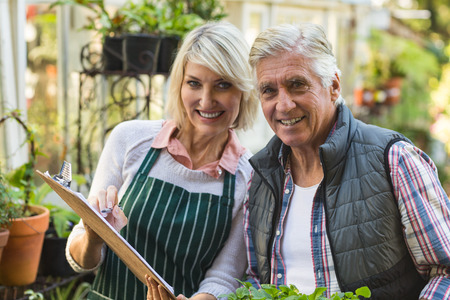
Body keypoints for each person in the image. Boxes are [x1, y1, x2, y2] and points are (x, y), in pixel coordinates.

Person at [244, 22, 450, 300]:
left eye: (297, 85)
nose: (283, 104)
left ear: (334, 86)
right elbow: (257, 280)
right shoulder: (260, 177)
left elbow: (445, 272)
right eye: (269, 91)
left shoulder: (394, 159)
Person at [66, 21, 258, 300]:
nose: (206, 100)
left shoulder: (250, 177)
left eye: (222, 85)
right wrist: (93, 237)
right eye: (194, 83)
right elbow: (83, 259)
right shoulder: (130, 140)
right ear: (179, 85)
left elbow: (225, 276)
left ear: (243, 90)